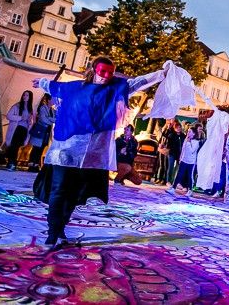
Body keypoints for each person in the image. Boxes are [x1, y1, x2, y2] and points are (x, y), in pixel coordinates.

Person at [32, 56, 169, 248]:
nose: (106, 76)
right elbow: (56, 87)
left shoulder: (114, 90)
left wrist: (161, 74)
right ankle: (53, 232)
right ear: (93, 70)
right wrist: (42, 82)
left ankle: (60, 227)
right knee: (59, 190)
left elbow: (138, 82)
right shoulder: (76, 88)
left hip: (91, 156)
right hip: (66, 151)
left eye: (110, 73)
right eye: (102, 71)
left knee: (73, 194)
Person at [167, 126, 200, 197]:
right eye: (188, 131)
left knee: (189, 176)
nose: (188, 133)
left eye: (190, 132)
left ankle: (190, 190)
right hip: (184, 160)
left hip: (191, 162)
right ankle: (173, 188)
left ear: (194, 133)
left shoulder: (196, 142)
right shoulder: (186, 139)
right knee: (179, 174)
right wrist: (181, 157)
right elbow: (183, 149)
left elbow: (192, 151)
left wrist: (188, 142)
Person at [5, 90, 34, 171]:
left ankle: (12, 162)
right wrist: (20, 118)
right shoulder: (17, 106)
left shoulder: (30, 109)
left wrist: (30, 122)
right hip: (17, 128)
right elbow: (9, 116)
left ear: (30, 97)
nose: (25, 97)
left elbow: (30, 121)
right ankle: (11, 162)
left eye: (27, 95)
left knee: (17, 146)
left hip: (24, 129)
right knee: (14, 146)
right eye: (24, 95)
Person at [27, 93, 56, 172]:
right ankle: (31, 164)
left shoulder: (53, 110)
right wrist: (50, 120)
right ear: (49, 100)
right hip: (40, 130)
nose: (54, 101)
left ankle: (36, 164)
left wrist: (49, 119)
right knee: (36, 147)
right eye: (53, 99)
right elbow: (43, 119)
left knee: (42, 147)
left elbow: (56, 119)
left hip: (47, 131)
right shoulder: (43, 108)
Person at [160, 120, 185, 185]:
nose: (178, 129)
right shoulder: (171, 135)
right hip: (172, 153)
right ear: (174, 128)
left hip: (179, 154)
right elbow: (166, 140)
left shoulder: (183, 136)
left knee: (177, 168)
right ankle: (168, 181)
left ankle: (174, 181)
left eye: (179, 127)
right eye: (177, 127)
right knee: (170, 166)